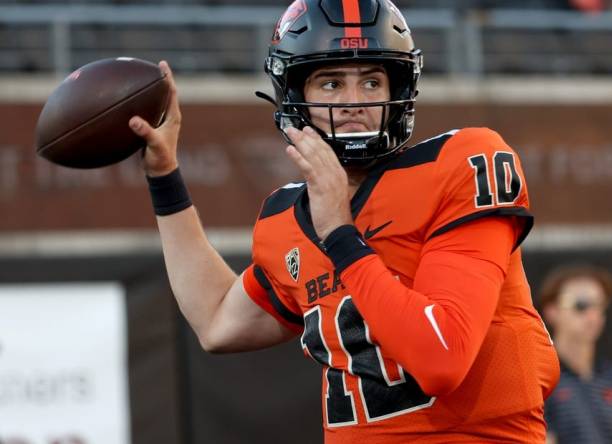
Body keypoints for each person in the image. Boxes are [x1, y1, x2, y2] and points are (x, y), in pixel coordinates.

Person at [127, 0, 560, 442]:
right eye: (331, 83)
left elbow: (441, 358)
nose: (354, 102)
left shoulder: (460, 163)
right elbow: (216, 320)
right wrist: (164, 177)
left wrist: (340, 233)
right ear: (294, 96)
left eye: (372, 81)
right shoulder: (286, 219)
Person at [538, 264, 612, 444]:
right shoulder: (539, 379)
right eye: (581, 305)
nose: (593, 315)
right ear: (552, 311)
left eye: (600, 305)